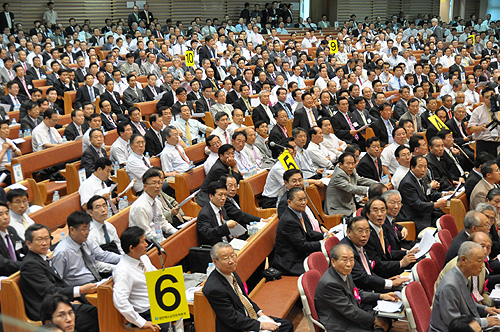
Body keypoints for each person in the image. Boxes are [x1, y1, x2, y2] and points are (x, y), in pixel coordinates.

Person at [20, 224, 99, 332]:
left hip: (58, 303)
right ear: (29, 243)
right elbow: (50, 291)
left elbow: (58, 286)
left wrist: (70, 300)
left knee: (96, 306)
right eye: (39, 240)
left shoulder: (43, 258)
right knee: (96, 314)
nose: (44, 243)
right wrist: (80, 291)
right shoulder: (30, 264)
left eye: (47, 238)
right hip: (48, 311)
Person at [203, 242, 294, 332]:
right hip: (238, 326)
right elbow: (232, 318)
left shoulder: (231, 272)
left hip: (251, 317)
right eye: (226, 258)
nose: (231, 261)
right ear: (215, 262)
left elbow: (244, 298)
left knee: (286, 325)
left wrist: (261, 314)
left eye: (233, 256)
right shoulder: (214, 288)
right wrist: (260, 325)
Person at [315, 243, 398, 332]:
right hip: (340, 323)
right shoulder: (329, 283)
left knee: (385, 319)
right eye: (344, 260)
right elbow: (349, 310)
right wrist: (375, 321)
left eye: (351, 259)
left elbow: (357, 293)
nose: (349, 264)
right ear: (333, 262)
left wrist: (381, 296)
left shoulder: (344, 271)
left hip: (350, 313)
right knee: (380, 325)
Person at [429, 241, 500, 332]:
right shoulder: (450, 286)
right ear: (463, 260)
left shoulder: (462, 276)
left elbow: (468, 303)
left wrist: (486, 309)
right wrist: (485, 322)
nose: (482, 266)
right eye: (479, 261)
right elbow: (453, 321)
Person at [113, 226, 167, 331]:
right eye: (143, 242)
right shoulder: (123, 270)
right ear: (131, 248)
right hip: (146, 312)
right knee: (168, 328)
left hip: (160, 302)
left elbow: (156, 277)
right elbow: (120, 301)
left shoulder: (143, 258)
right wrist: (141, 322)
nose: (147, 244)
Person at [339, 216, 410, 293]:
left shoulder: (358, 245)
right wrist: (390, 283)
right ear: (349, 232)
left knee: (406, 288)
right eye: (360, 231)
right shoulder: (346, 252)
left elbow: (368, 272)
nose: (364, 235)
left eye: (367, 231)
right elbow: (362, 278)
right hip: (361, 295)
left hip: (369, 288)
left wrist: (385, 281)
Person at [52, 211, 121, 287]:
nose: (87, 232)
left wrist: (126, 258)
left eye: (88, 229)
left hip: (96, 281)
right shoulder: (62, 251)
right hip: (80, 289)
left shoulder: (87, 241)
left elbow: (103, 255)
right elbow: (57, 282)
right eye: (84, 229)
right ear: (72, 230)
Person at [273, 187, 326, 276]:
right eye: (300, 200)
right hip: (291, 262)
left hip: (300, 255)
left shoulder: (298, 212)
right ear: (289, 202)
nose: (304, 202)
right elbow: (302, 246)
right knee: (321, 269)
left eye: (305, 199)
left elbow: (307, 232)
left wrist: (324, 235)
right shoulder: (289, 221)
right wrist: (322, 243)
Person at [363, 197, 417, 278]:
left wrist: (407, 253)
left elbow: (387, 253)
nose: (380, 214)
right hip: (378, 276)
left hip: (388, 268)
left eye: (382, 210)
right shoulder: (366, 234)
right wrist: (401, 263)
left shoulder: (380, 228)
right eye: (375, 210)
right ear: (368, 214)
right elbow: (376, 264)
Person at [436, 232, 493, 307]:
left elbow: (479, 292)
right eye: (481, 246)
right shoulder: (457, 268)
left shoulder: (481, 263)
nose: (485, 251)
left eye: (488, 247)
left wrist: (492, 303)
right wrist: (484, 314)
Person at [398, 156, 448, 234]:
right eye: (420, 167)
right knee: (437, 232)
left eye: (425, 167)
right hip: (416, 217)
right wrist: (435, 204)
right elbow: (417, 205)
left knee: (447, 220)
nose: (423, 170)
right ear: (412, 167)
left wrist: (443, 194)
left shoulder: (421, 177)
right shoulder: (407, 183)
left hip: (426, 212)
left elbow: (428, 194)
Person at [129, 168, 178, 242]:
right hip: (145, 242)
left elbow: (163, 222)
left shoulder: (156, 202)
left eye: (159, 182)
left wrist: (176, 233)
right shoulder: (140, 206)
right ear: (145, 186)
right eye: (154, 183)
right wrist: (164, 242)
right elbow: (146, 233)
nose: (158, 186)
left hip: (159, 236)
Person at [0, 119, 21, 184]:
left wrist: (13, 149)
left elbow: (20, 154)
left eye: (8, 128)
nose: (7, 130)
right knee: (14, 179)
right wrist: (3, 150)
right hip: (3, 171)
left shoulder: (9, 141)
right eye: (4, 129)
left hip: (13, 168)